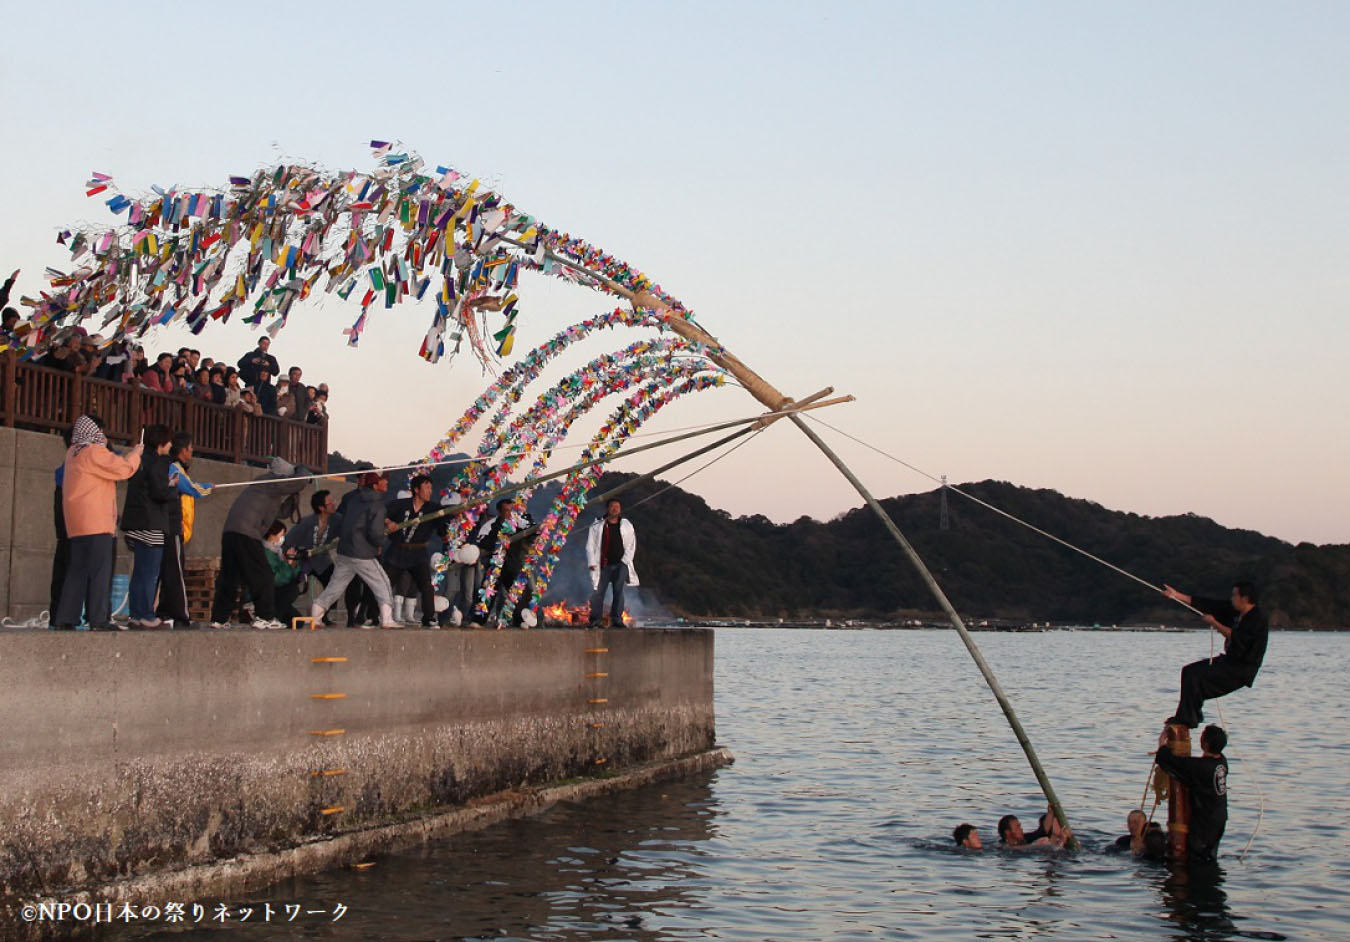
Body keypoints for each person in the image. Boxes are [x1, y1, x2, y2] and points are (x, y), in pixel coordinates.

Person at [53, 416, 143, 630]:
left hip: (76, 524)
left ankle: (66, 618)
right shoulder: (93, 451)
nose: (103, 436)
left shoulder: (72, 453)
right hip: (96, 521)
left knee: (77, 572)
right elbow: (123, 469)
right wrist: (135, 454)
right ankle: (99, 619)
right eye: (100, 432)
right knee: (100, 573)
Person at [210, 457, 310, 630]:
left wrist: (294, 496)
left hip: (231, 532)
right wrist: (303, 472)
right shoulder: (270, 481)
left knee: (230, 577)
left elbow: (282, 512)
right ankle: (264, 617)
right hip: (247, 533)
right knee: (263, 575)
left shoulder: (265, 489)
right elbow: (298, 482)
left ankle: (219, 618)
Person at [1162, 581, 1269, 729]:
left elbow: (1237, 636)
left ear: (1244, 598)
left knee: (1196, 677)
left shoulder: (1257, 618)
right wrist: (1177, 596)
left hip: (1242, 669)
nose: (1232, 599)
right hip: (1229, 661)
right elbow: (1209, 605)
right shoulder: (1236, 612)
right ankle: (1190, 716)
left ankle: (1187, 719)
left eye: (1234, 595)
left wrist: (1214, 623)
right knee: (1189, 672)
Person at [310, 472, 399, 629]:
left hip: (345, 550)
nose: (386, 483)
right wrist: (386, 533)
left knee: (335, 585)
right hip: (362, 552)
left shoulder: (353, 499)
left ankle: (315, 615)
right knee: (382, 582)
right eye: (383, 480)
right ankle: (387, 619)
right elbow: (375, 533)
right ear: (375, 485)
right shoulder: (377, 505)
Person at [157, 433, 215, 629]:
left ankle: (164, 613)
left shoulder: (176, 468)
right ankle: (181, 616)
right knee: (175, 572)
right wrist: (208, 488)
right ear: (183, 450)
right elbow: (190, 488)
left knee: (167, 571)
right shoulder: (173, 469)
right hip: (171, 528)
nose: (192, 451)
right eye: (190, 448)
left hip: (175, 528)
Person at [119, 424, 175, 628]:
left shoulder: (139, 458)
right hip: (152, 523)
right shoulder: (160, 462)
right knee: (150, 573)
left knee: (139, 573)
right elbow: (159, 492)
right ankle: (148, 616)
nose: (170, 445)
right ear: (161, 442)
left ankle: (136, 614)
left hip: (135, 522)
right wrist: (172, 487)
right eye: (169, 441)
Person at [1155, 724, 1229, 864]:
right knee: (1209, 855)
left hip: (1204, 823)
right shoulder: (1222, 762)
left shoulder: (1201, 767)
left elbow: (1171, 761)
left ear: (1205, 744)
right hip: (1219, 818)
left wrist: (1162, 744)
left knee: (1196, 858)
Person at [384, 474, 446, 627]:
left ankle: (429, 617)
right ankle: (371, 615)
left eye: (431, 487)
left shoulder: (434, 509)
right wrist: (388, 522)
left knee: (426, 585)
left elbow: (443, 528)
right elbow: (382, 513)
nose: (430, 491)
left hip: (418, 554)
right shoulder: (399, 504)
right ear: (417, 490)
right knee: (384, 584)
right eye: (427, 487)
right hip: (397, 550)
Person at [586, 499, 638, 628]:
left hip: (620, 564)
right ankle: (595, 619)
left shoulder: (627, 525)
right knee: (598, 592)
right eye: (612, 506)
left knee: (618, 591)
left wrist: (625, 561)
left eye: (617, 507)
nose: (615, 509)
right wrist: (592, 562)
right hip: (602, 565)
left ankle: (616, 619)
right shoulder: (597, 524)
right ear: (607, 509)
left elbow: (632, 545)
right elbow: (590, 545)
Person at [263, 521, 304, 622]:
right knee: (291, 590)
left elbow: (290, 575)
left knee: (297, 621)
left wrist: (292, 563)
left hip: (274, 592)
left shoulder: (277, 552)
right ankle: (270, 618)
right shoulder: (266, 553)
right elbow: (278, 580)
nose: (282, 539)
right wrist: (289, 564)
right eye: (281, 535)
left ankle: (275, 616)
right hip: (266, 592)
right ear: (272, 535)